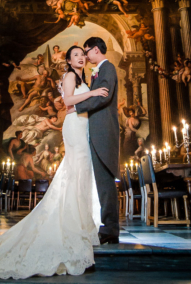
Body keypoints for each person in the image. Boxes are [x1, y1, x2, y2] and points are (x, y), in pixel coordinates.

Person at [0, 45, 109, 280]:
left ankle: (81, 225)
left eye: (82, 55)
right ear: (68, 61)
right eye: (76, 55)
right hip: (74, 126)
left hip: (83, 127)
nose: (81, 58)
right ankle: (73, 229)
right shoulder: (70, 76)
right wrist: (92, 93)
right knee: (76, 172)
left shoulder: (83, 77)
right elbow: (68, 100)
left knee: (80, 174)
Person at [72, 37, 120, 245]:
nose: (85, 55)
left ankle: (110, 229)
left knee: (105, 181)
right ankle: (105, 226)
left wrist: (78, 107)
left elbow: (104, 96)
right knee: (100, 181)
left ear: (96, 50)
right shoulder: (98, 71)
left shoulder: (108, 68)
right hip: (95, 132)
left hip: (104, 133)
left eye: (86, 51)